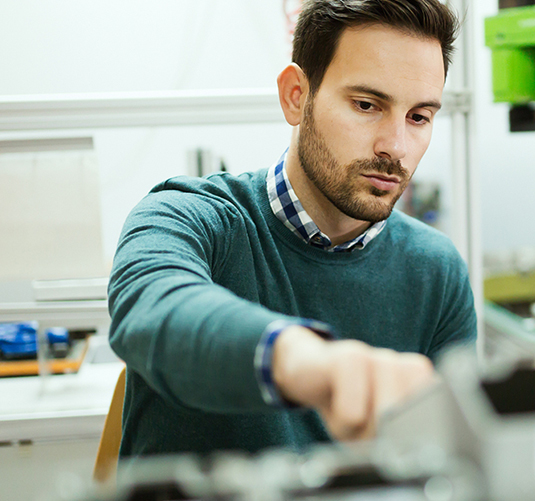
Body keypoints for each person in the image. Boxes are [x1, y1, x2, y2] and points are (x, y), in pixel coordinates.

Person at [108, 0, 477, 459]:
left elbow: (455, 460)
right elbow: (151, 311)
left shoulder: (436, 270)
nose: (396, 146)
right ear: (296, 96)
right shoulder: (188, 216)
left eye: (419, 117)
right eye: (366, 105)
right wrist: (307, 362)